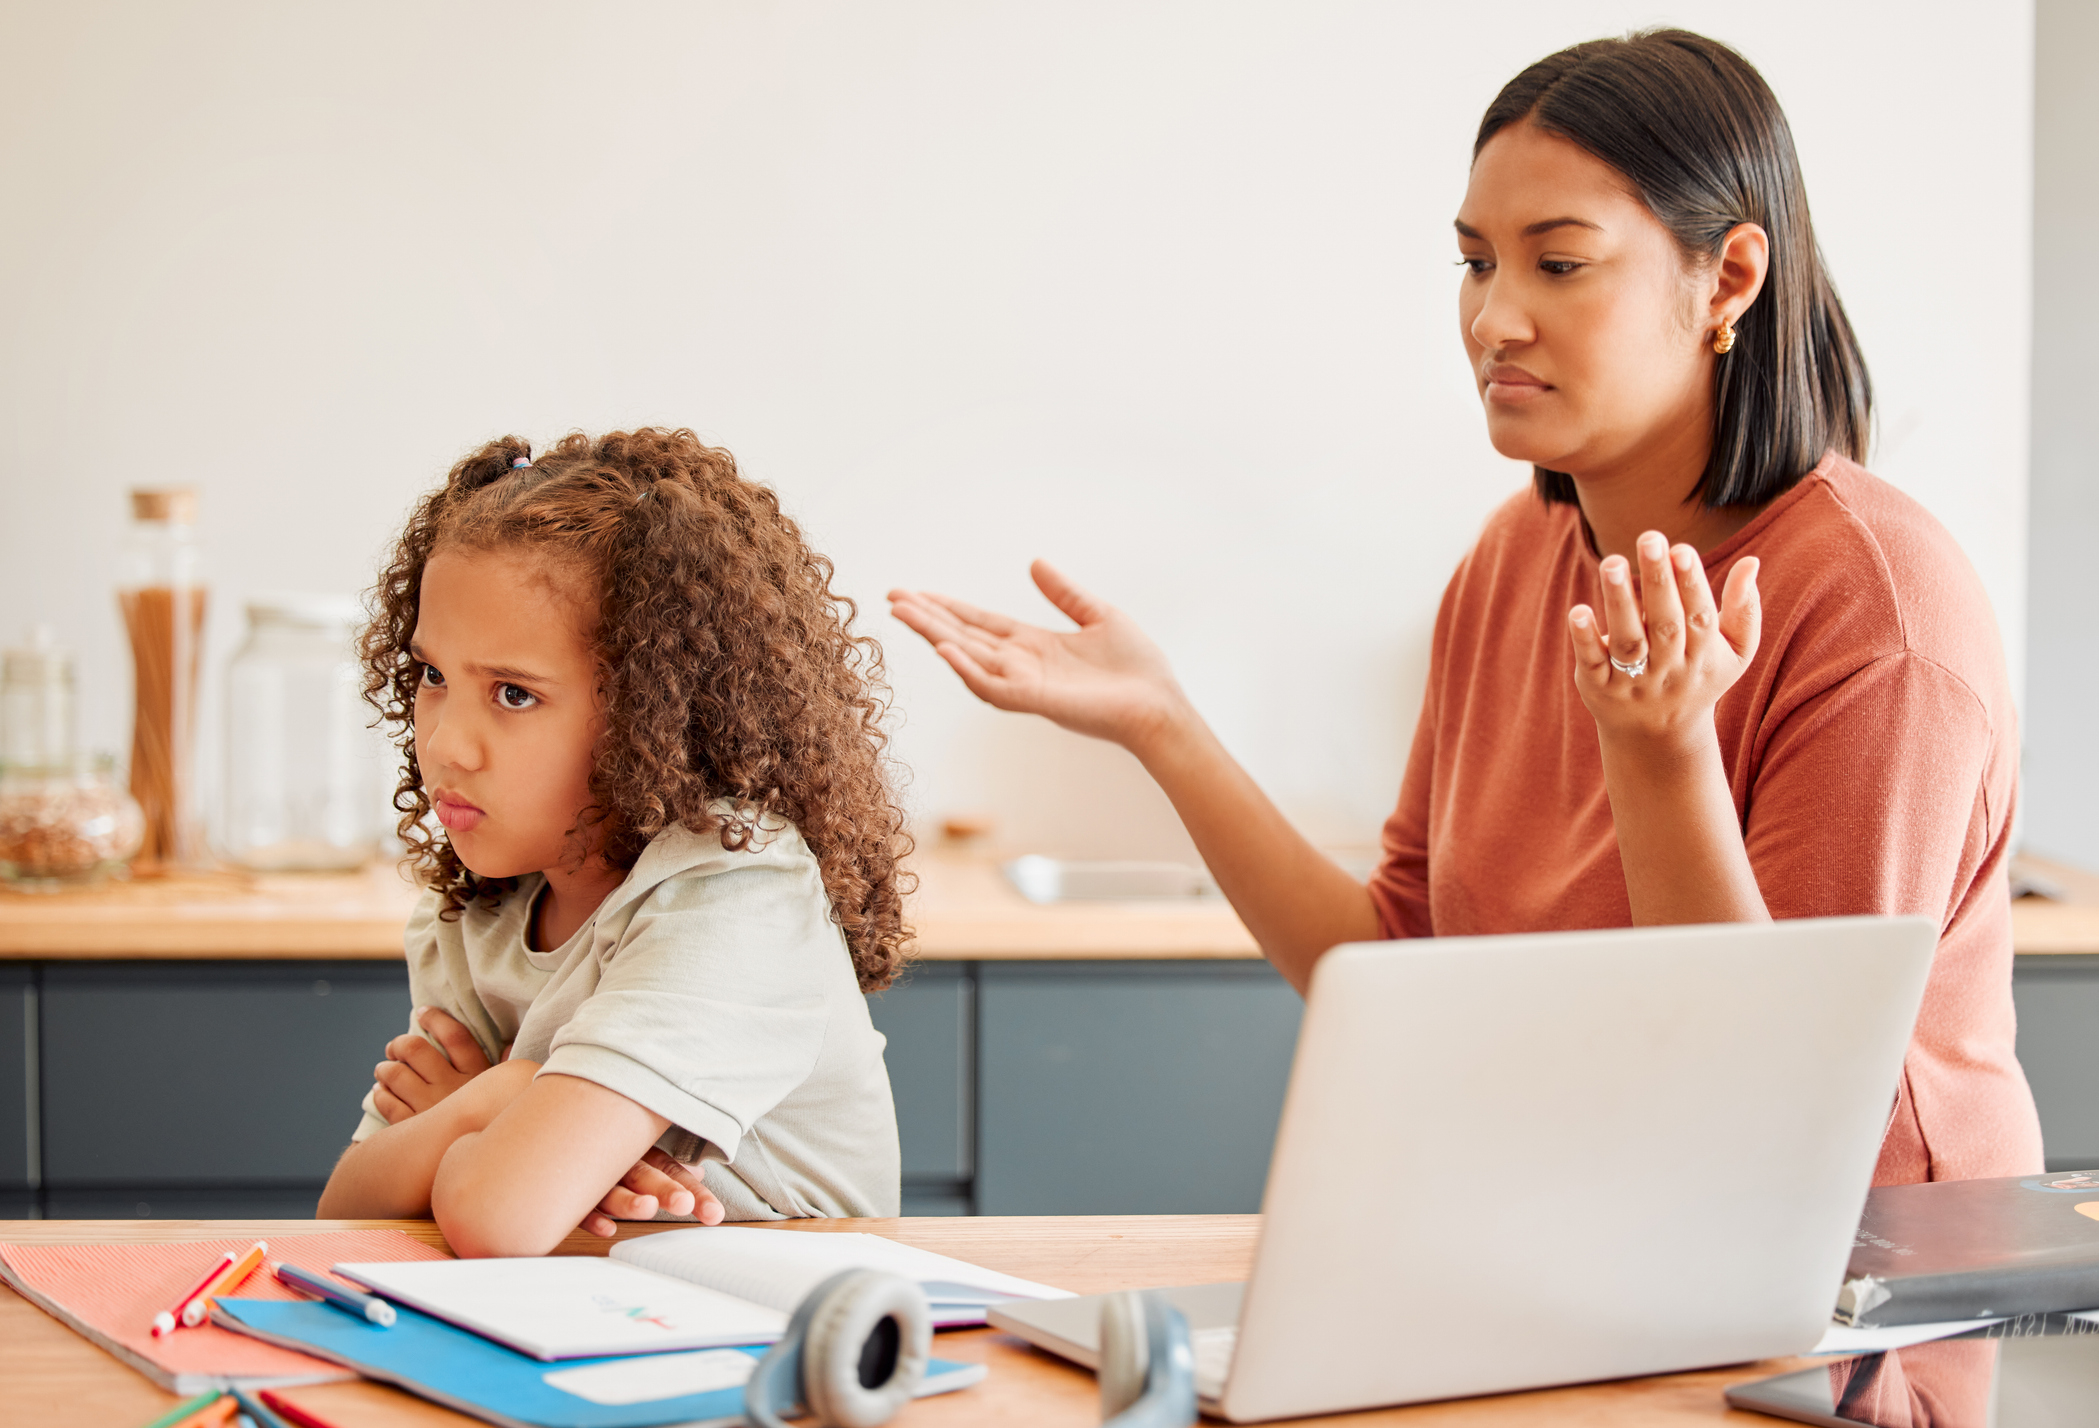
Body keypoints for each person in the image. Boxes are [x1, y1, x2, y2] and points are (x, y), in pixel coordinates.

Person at [888, 29, 2042, 1186]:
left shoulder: (1877, 616)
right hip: (1576, 1248)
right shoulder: (1515, 559)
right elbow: (1394, 962)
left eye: (1558, 264)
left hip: (1855, 1312)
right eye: (1476, 263)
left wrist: (1657, 755)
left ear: (1727, 280)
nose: (1493, 320)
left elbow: (1782, 1113)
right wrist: (1160, 724)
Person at [317, 428, 909, 1254]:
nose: (447, 742)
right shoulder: (475, 919)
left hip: (773, 1344)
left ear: (655, 713)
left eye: (514, 694)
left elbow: (495, 1218)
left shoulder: (738, 886)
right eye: (432, 676)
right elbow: (346, 1209)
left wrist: (489, 1108)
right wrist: (495, 1106)